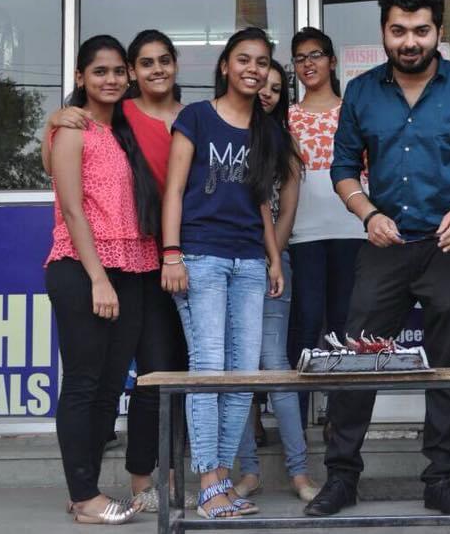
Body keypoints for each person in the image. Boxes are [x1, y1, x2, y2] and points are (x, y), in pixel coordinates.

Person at [304, 0, 450, 518]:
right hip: (385, 245)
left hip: (449, 244)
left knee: (447, 368)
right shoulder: (362, 92)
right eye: (398, 30)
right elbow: (344, 168)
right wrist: (368, 214)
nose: (409, 41)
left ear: (438, 31)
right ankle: (341, 477)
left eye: (420, 30)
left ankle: (441, 480)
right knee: (357, 362)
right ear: (384, 32)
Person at [42, 29, 188, 513]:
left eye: (117, 71)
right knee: (83, 383)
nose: (110, 79)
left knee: (109, 387)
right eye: (99, 71)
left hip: (134, 266)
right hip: (83, 269)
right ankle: (84, 496)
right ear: (80, 77)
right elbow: (72, 209)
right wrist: (99, 278)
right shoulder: (73, 130)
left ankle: (91, 493)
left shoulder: (122, 129)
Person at [161, 27, 288, 520]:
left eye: (262, 62)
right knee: (210, 368)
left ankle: (222, 478)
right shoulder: (196, 117)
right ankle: (209, 483)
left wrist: (273, 257)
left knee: (242, 376)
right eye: (244, 60)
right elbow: (174, 190)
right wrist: (172, 254)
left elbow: (261, 203)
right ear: (225, 66)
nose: (253, 69)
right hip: (201, 258)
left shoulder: (267, 131)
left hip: (250, 261)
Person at [232, 61, 319, 503]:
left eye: (275, 87)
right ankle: (248, 472)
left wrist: (272, 259)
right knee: (238, 369)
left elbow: (286, 210)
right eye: (261, 84)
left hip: (271, 262)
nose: (266, 92)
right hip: (226, 260)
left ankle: (299, 472)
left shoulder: (283, 141)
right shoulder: (223, 132)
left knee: (274, 363)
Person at [285, 27, 366, 429]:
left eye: (315, 55)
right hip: (303, 232)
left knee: (343, 324)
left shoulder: (354, 111)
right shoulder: (286, 117)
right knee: (305, 320)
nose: (308, 64)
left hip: (352, 229)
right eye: (300, 58)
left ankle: (340, 419)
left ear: (332, 62)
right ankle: (296, 422)